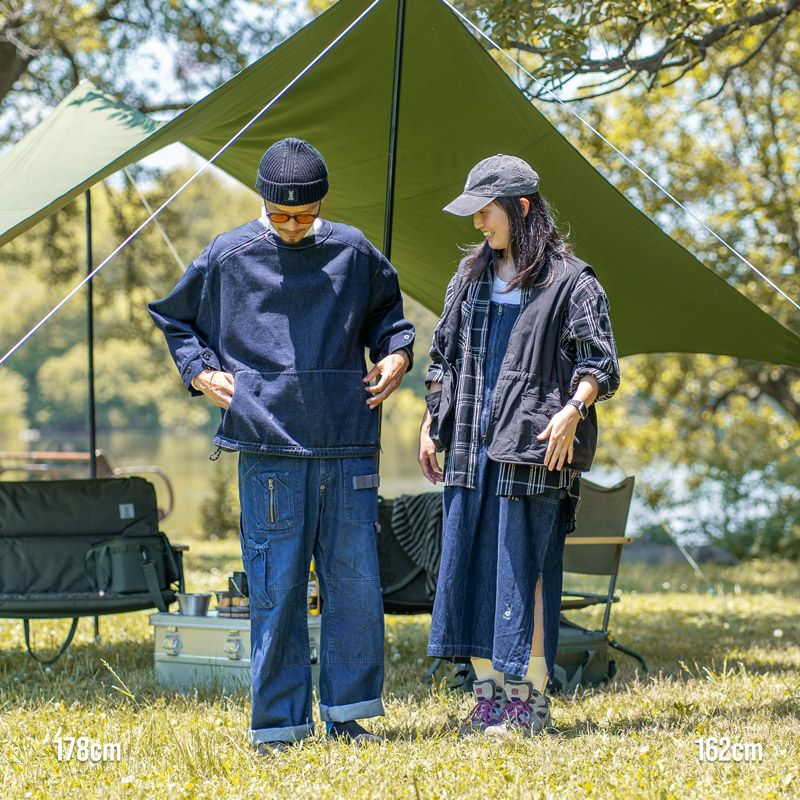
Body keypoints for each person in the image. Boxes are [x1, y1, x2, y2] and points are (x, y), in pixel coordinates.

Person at [149, 138, 415, 751]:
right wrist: (199, 371)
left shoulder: (354, 251)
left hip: (348, 443)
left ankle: (348, 714)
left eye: (304, 214)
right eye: (280, 215)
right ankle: (278, 726)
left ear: (322, 203)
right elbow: (175, 318)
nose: (293, 226)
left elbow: (390, 318)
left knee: (355, 587)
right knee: (275, 588)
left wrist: (398, 355)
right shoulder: (229, 255)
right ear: (263, 202)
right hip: (268, 449)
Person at [419, 154, 620, 737]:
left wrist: (573, 410)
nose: (478, 223)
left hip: (533, 451)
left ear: (522, 207)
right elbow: (442, 360)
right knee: (471, 567)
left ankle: (528, 701)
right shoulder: (468, 279)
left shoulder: (572, 282)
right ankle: (487, 698)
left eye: (486, 211)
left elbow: (600, 363)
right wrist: (431, 421)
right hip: (468, 451)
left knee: (525, 570)